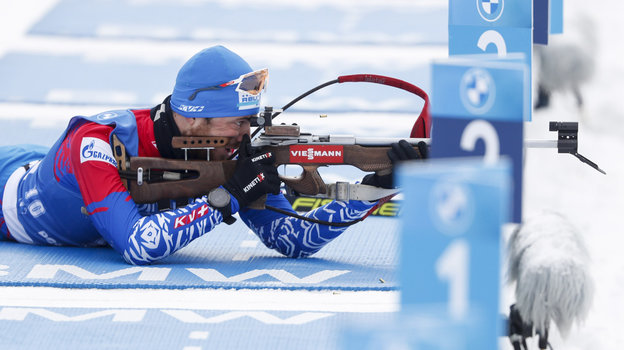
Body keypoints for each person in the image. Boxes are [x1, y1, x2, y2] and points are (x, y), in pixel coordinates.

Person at [0, 45, 426, 265]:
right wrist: (229, 199)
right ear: (192, 118)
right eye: (236, 122)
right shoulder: (97, 141)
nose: (247, 132)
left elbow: (293, 240)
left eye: (250, 121)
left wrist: (376, 189)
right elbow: (136, 244)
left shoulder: (230, 152)